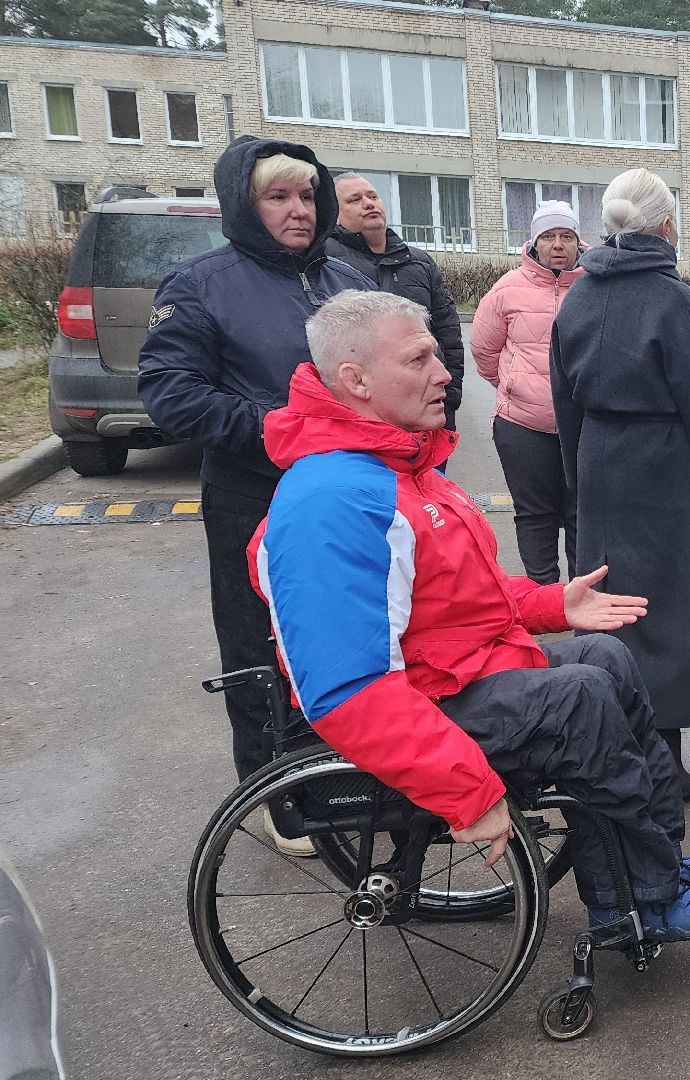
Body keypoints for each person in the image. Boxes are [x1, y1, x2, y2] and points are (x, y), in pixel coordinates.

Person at [250, 289, 690, 940]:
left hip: (449, 671)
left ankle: (661, 867)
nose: (444, 371)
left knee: (607, 659)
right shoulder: (336, 500)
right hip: (418, 702)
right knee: (581, 698)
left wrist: (550, 604)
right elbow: (348, 691)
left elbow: (457, 599)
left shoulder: (399, 466)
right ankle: (637, 906)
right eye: (420, 358)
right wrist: (469, 794)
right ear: (356, 380)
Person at [138, 136, 374, 856]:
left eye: (306, 195)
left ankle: (348, 768)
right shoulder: (200, 284)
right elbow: (170, 394)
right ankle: (273, 791)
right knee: (259, 646)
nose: (298, 210)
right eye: (278, 196)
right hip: (257, 498)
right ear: (244, 203)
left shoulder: (344, 279)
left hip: (349, 497)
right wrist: (278, 427)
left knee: (351, 636)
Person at [551, 169, 690, 802]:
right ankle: (664, 761)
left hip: (603, 462)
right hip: (668, 471)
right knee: (671, 616)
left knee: (615, 613)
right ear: (666, 225)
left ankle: (629, 758)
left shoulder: (577, 296)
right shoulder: (671, 298)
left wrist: (577, 482)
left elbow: (565, 404)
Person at [470, 201, 585, 586]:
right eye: (548, 237)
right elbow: (484, 351)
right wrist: (514, 386)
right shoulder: (507, 288)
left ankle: (581, 594)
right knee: (535, 515)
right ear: (533, 244)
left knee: (581, 514)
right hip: (522, 426)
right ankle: (544, 597)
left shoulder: (593, 286)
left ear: (577, 242)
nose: (557, 245)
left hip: (582, 428)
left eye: (565, 236)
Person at [324, 172, 466, 432]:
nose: (369, 203)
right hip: (362, 415)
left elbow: (448, 331)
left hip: (427, 409)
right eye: (355, 200)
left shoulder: (419, 262)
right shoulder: (325, 263)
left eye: (373, 196)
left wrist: (450, 395)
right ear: (334, 214)